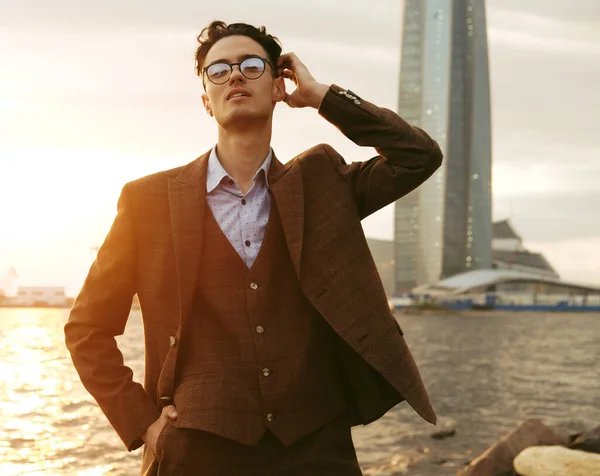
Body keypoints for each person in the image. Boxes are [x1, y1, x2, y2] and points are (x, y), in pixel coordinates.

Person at [64, 20, 443, 476]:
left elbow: (418, 155)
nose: (235, 76)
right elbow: (87, 329)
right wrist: (144, 424)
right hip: (194, 451)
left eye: (250, 65)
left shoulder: (323, 183)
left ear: (279, 85)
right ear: (206, 99)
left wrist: (322, 96)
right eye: (218, 71)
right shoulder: (147, 202)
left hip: (318, 447)